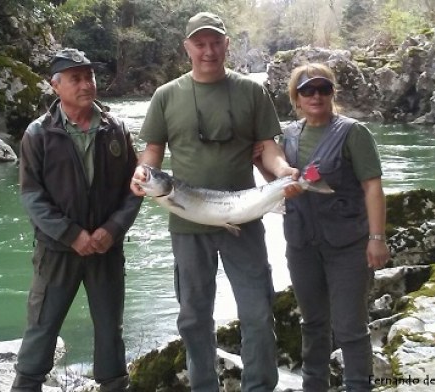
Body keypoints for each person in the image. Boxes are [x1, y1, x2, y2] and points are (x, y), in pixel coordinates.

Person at [130, 11, 300, 392]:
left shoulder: (252, 92)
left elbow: (269, 151)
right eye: (200, 43)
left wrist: (284, 171)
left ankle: (259, 386)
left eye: (215, 42)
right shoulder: (166, 96)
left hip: (244, 217)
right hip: (188, 226)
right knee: (193, 317)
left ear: (227, 44)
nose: (208, 50)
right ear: (187, 47)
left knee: (257, 312)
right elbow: (152, 152)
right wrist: (143, 173)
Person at [11, 48, 142, 392]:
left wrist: (112, 230)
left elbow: (135, 188)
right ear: (56, 86)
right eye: (76, 78)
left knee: (110, 331)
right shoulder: (38, 134)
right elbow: (32, 196)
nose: (86, 84)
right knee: (42, 329)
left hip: (105, 250)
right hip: (57, 252)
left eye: (89, 77)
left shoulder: (116, 129)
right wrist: (71, 235)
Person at [257, 62, 390, 392]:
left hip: (347, 246)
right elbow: (277, 188)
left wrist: (377, 238)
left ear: (332, 93)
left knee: (350, 327)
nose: (316, 96)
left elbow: (373, 187)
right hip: (302, 246)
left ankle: (358, 385)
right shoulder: (286, 137)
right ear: (296, 98)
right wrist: (260, 164)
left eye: (323, 89)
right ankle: (313, 386)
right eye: (307, 90)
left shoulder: (353, 133)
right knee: (313, 323)